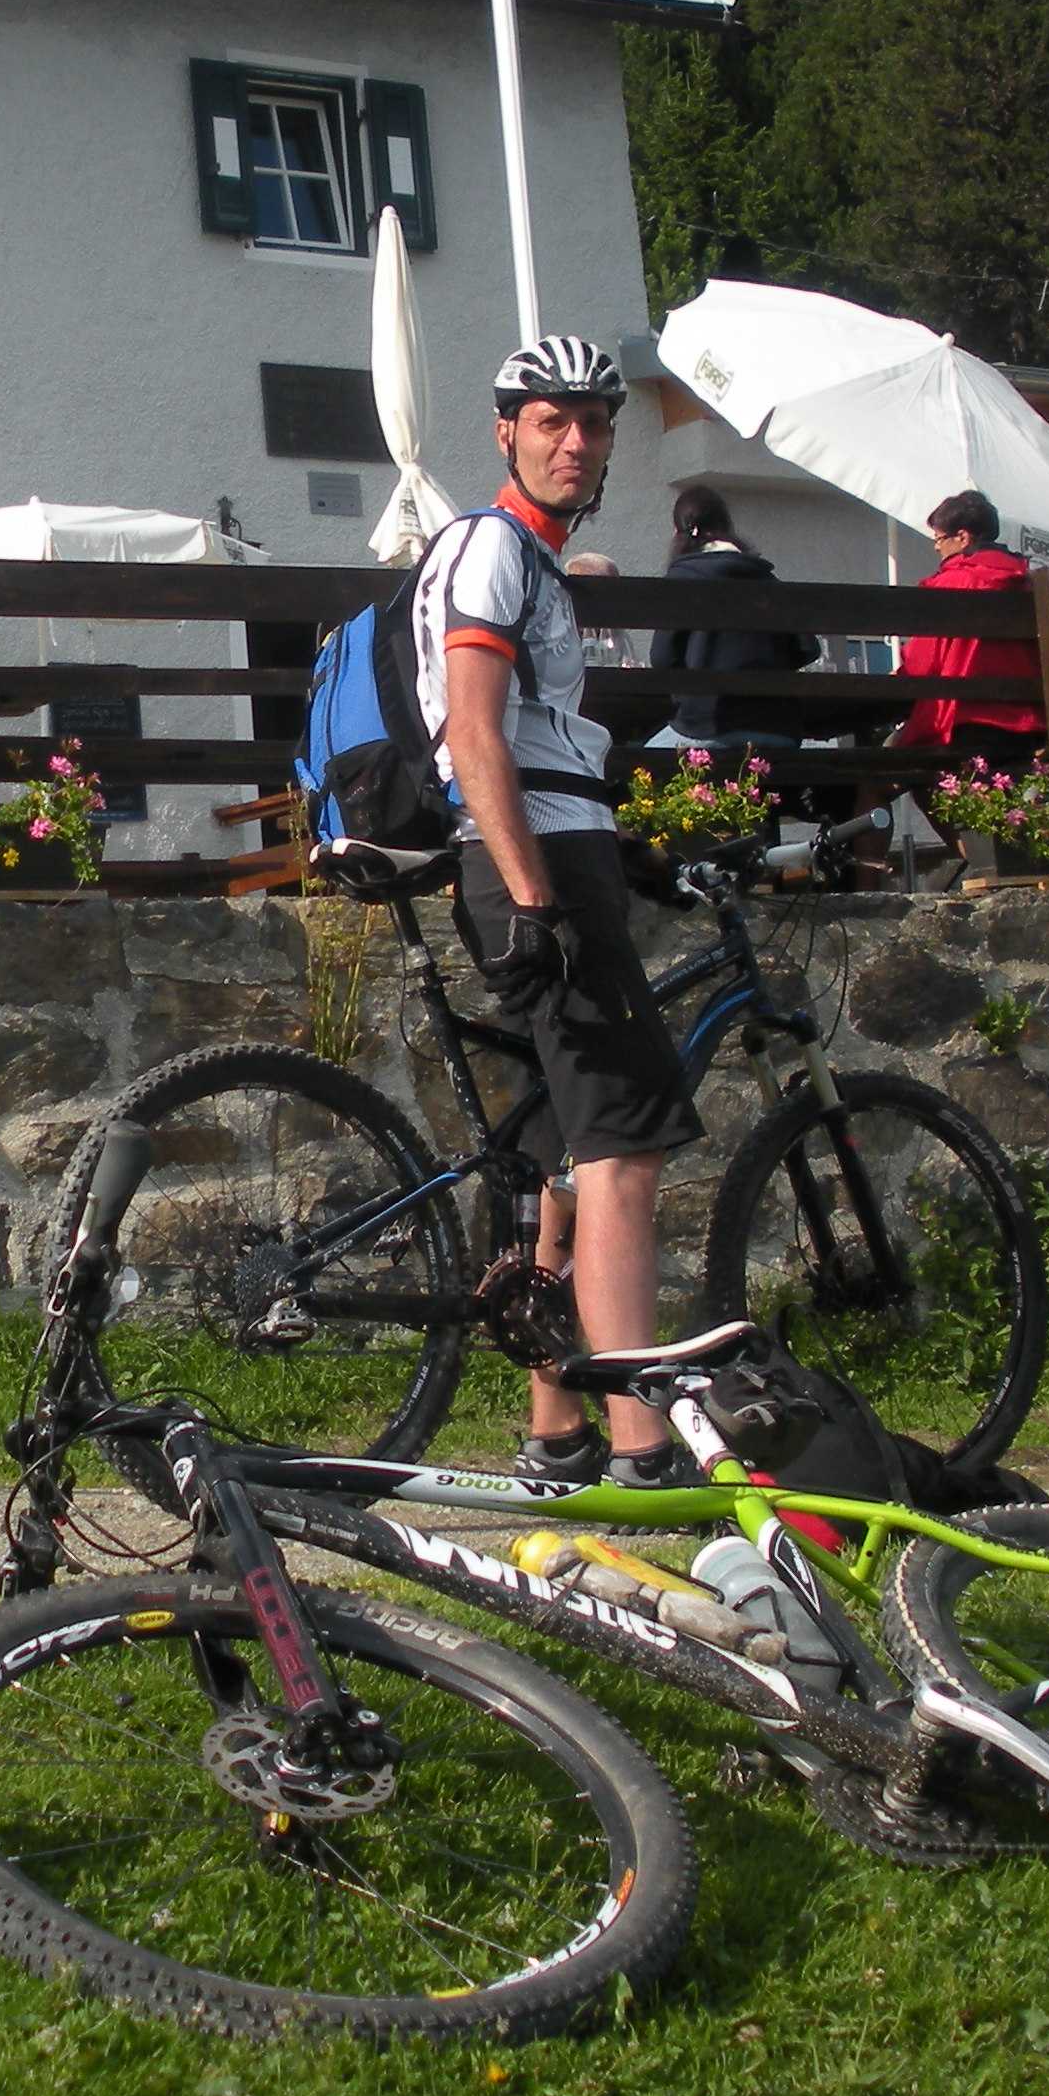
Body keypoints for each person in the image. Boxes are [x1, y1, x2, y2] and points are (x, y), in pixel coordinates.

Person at [412, 334, 703, 1485]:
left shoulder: (525, 560)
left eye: (593, 423)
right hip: (533, 868)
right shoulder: (495, 552)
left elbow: (528, 738)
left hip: (549, 854)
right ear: (506, 432)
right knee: (626, 1155)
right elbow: (477, 731)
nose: (575, 442)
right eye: (550, 421)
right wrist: (537, 896)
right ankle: (643, 1442)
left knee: (570, 1162)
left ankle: (557, 1426)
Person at [655, 483, 819, 752]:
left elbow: (661, 659)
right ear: (727, 528)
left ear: (678, 532)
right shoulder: (768, 579)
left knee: (638, 765)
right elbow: (808, 649)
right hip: (780, 731)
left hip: (707, 726)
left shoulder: (682, 579)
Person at [889, 491, 1045, 753]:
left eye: (938, 538)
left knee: (886, 760)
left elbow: (922, 663)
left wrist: (899, 676)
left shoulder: (951, 584)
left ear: (963, 537)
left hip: (963, 719)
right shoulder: (1029, 584)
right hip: (1032, 719)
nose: (936, 547)